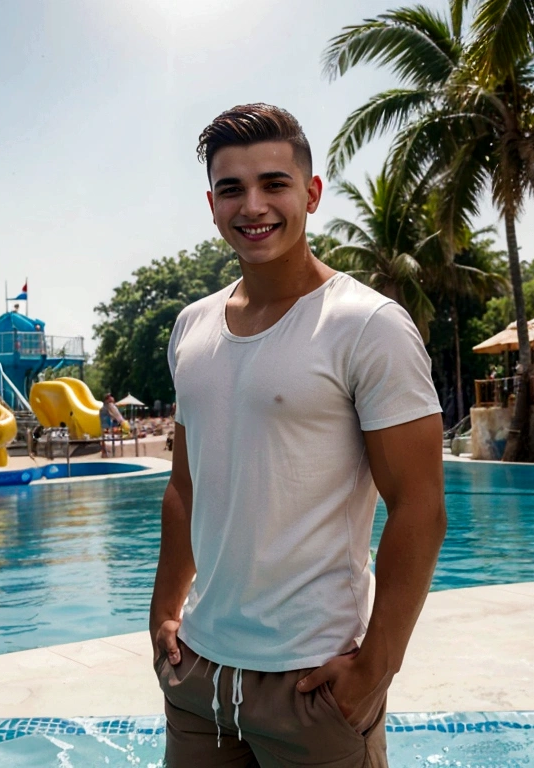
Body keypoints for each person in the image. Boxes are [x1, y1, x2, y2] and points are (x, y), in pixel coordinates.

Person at [150, 104, 446, 768]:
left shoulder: (367, 326)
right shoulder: (191, 328)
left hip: (313, 684)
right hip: (199, 678)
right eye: (232, 188)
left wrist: (375, 669)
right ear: (212, 203)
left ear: (311, 193)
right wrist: (163, 614)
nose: (253, 205)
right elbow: (184, 484)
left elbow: (420, 507)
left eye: (274, 184)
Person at [100, 393, 128, 458]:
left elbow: (116, 415)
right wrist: (122, 422)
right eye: (109, 397)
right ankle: (105, 452)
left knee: (105, 436)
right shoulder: (109, 406)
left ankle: (105, 452)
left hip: (108, 421)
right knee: (105, 435)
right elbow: (117, 415)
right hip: (107, 421)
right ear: (107, 400)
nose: (111, 398)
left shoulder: (108, 406)